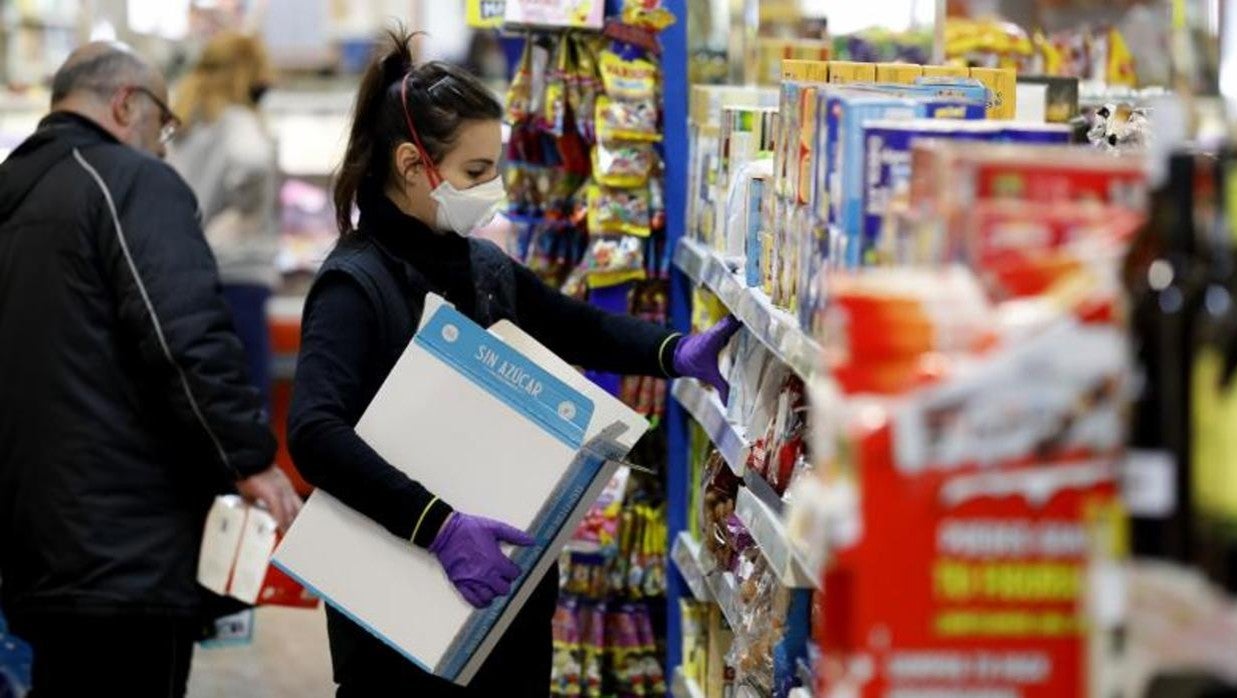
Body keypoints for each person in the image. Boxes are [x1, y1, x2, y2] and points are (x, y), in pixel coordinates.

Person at [287, 29, 738, 698]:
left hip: (505, 605)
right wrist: (436, 524)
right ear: (414, 165)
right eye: (476, 172)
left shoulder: (481, 266)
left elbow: (572, 326)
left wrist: (674, 351)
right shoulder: (356, 285)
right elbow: (314, 434)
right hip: (398, 614)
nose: (492, 188)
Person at [0, 42, 302, 697]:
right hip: (126, 546)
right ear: (126, 103)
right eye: (164, 124)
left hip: (35, 542)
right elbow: (182, 334)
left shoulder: (15, 193)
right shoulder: (131, 181)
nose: (165, 146)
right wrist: (249, 457)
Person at [169, 32, 280, 403]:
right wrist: (241, 218)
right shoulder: (238, 121)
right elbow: (252, 163)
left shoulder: (182, 124)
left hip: (183, 277)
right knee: (247, 403)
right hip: (237, 280)